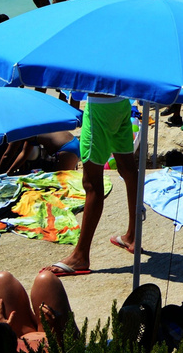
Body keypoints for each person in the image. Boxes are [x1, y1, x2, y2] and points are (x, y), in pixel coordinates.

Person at [53, 89, 141, 276]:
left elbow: (78, 87)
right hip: (122, 102)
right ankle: (133, 236)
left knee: (92, 184)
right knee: (128, 170)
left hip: (100, 106)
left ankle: (81, 255)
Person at [0, 269, 72, 353]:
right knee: (47, 280)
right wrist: (56, 330)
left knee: (2, 280)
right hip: (54, 342)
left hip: (18, 340)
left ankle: (32, 321)